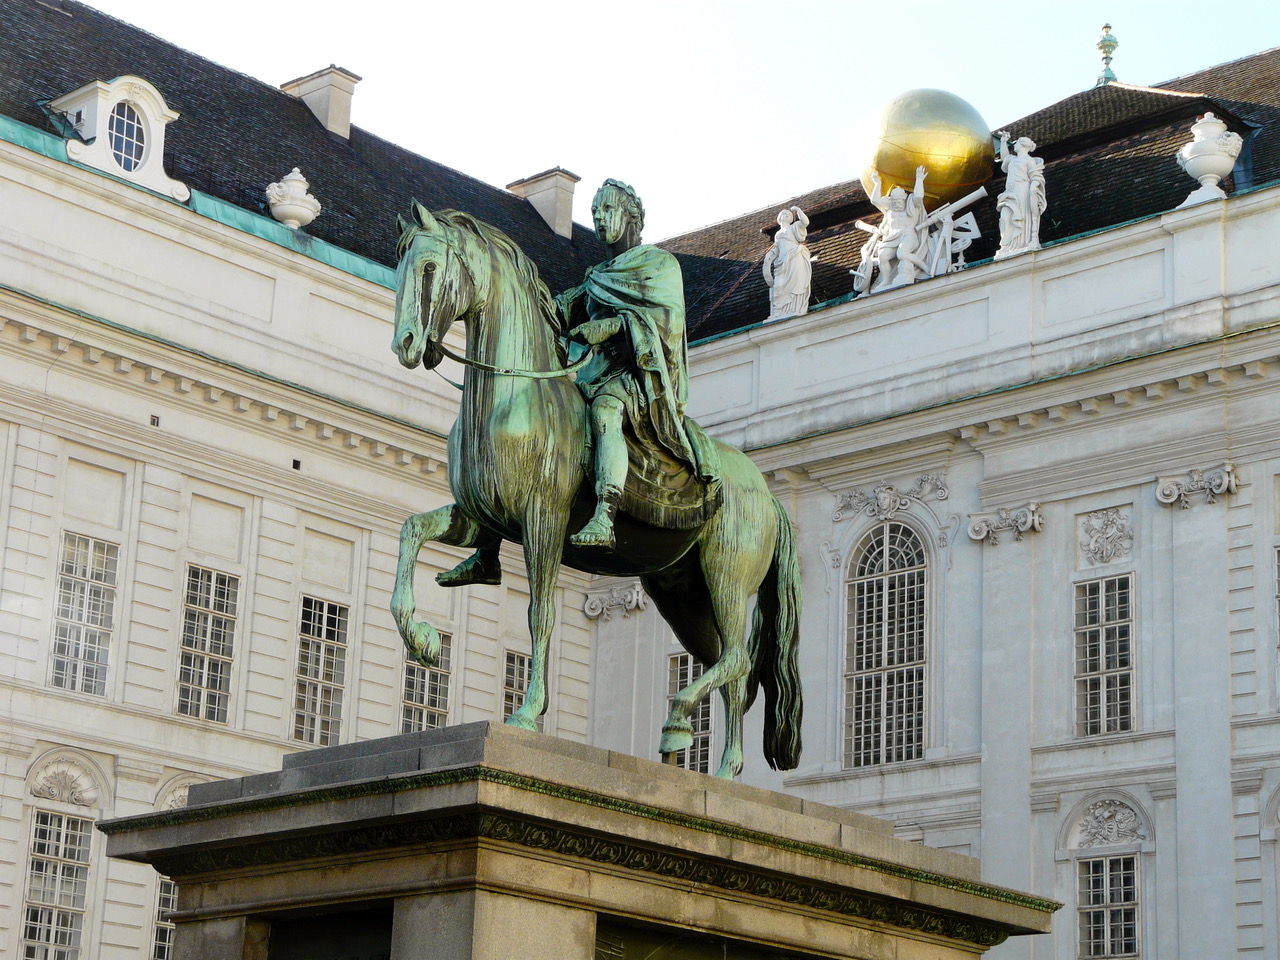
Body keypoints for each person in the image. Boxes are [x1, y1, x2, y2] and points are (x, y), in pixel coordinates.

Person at [556, 179, 717, 549]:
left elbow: (669, 323)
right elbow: (563, 309)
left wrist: (614, 324)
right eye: (594, 213)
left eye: (607, 210)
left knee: (606, 411)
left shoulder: (660, 265)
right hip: (592, 373)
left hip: (640, 377)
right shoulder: (597, 275)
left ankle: (604, 513)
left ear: (630, 216)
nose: (598, 219)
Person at [854, 165, 930, 293]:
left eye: (900, 202)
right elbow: (875, 200)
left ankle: (924, 266)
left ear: (904, 199)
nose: (898, 205)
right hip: (893, 237)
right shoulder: (890, 205)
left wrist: (919, 179)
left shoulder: (911, 204)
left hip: (908, 235)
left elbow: (918, 197)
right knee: (883, 256)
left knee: (902, 254)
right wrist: (877, 183)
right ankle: (886, 281)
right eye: (895, 202)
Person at [994, 131, 1046, 259]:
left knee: (1021, 217)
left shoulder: (1029, 160)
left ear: (1022, 145)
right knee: (1005, 217)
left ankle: (1022, 242)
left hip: (1022, 190)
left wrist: (1034, 187)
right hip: (1010, 192)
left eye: (1016, 143)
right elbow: (1005, 157)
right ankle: (1008, 245)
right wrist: (1003, 141)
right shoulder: (1012, 159)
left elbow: (1035, 176)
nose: (1014, 145)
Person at [762, 206, 812, 319]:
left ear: (791, 218)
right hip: (781, 262)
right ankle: (778, 312)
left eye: (788, 215)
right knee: (778, 286)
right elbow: (776, 248)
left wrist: (798, 210)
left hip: (794, 257)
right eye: (783, 214)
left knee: (795, 283)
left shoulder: (794, 227)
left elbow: (805, 222)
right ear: (779, 218)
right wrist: (768, 258)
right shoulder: (777, 234)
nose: (785, 215)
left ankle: (794, 308)